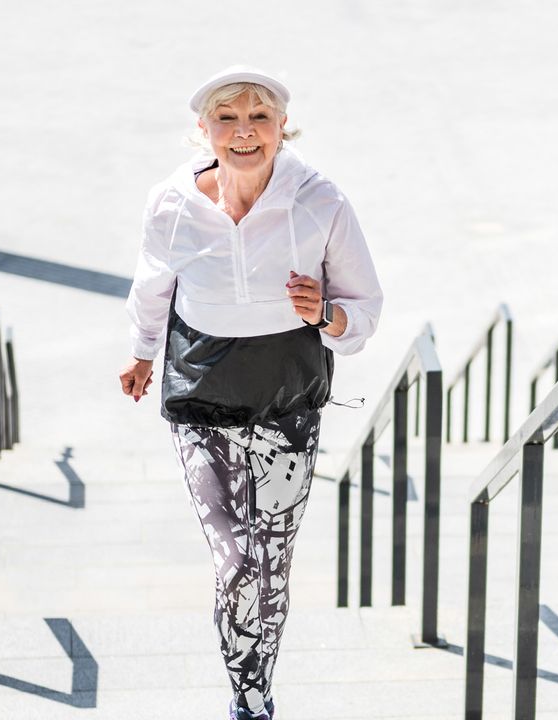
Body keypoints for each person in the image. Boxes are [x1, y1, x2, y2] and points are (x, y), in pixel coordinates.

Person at [118, 65, 383, 720]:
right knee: (233, 559)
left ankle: (255, 682)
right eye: (227, 119)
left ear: (281, 127)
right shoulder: (171, 204)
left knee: (270, 559)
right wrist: (142, 353)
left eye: (258, 117)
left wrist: (325, 313)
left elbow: (365, 311)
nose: (243, 133)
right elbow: (153, 286)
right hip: (200, 394)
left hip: (286, 398)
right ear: (202, 130)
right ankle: (247, 686)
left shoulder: (321, 202)